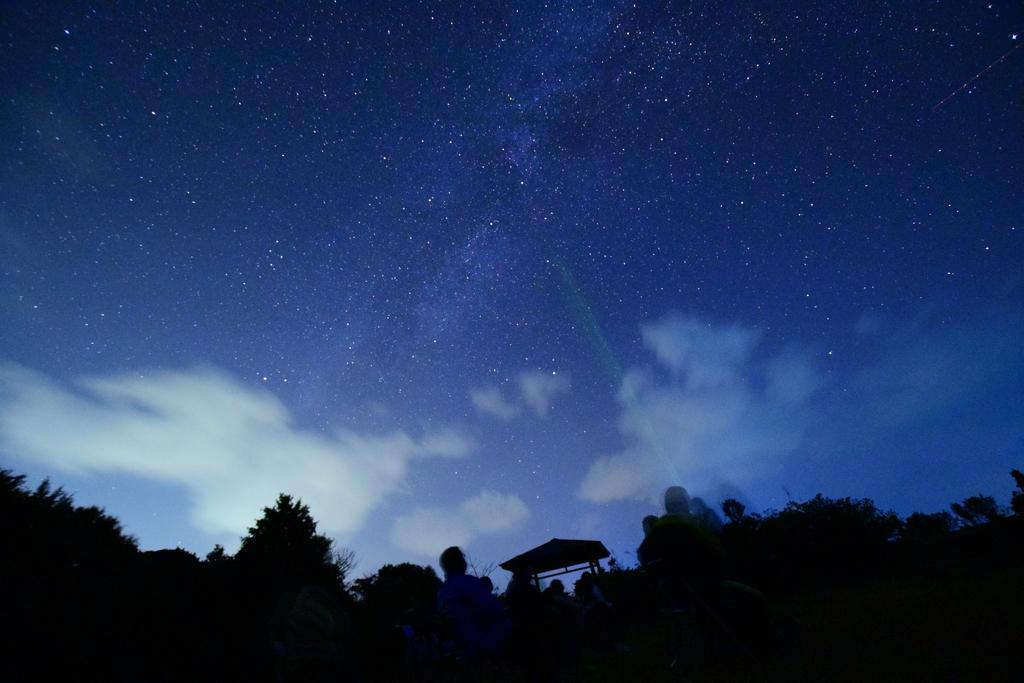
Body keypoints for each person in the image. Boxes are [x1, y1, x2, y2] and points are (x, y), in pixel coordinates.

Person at [436, 546, 508, 659]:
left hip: (458, 645)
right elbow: (491, 609)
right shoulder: (470, 583)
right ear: (460, 562)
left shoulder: (442, 591)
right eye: (463, 558)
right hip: (481, 643)